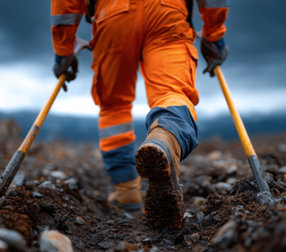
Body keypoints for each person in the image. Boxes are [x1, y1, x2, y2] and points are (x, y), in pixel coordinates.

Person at [51, 0, 229, 229]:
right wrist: (214, 35)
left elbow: (65, 5)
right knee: (172, 93)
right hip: (168, 13)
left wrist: (63, 51)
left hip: (113, 15)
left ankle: (126, 195)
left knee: (114, 108)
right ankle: (165, 139)